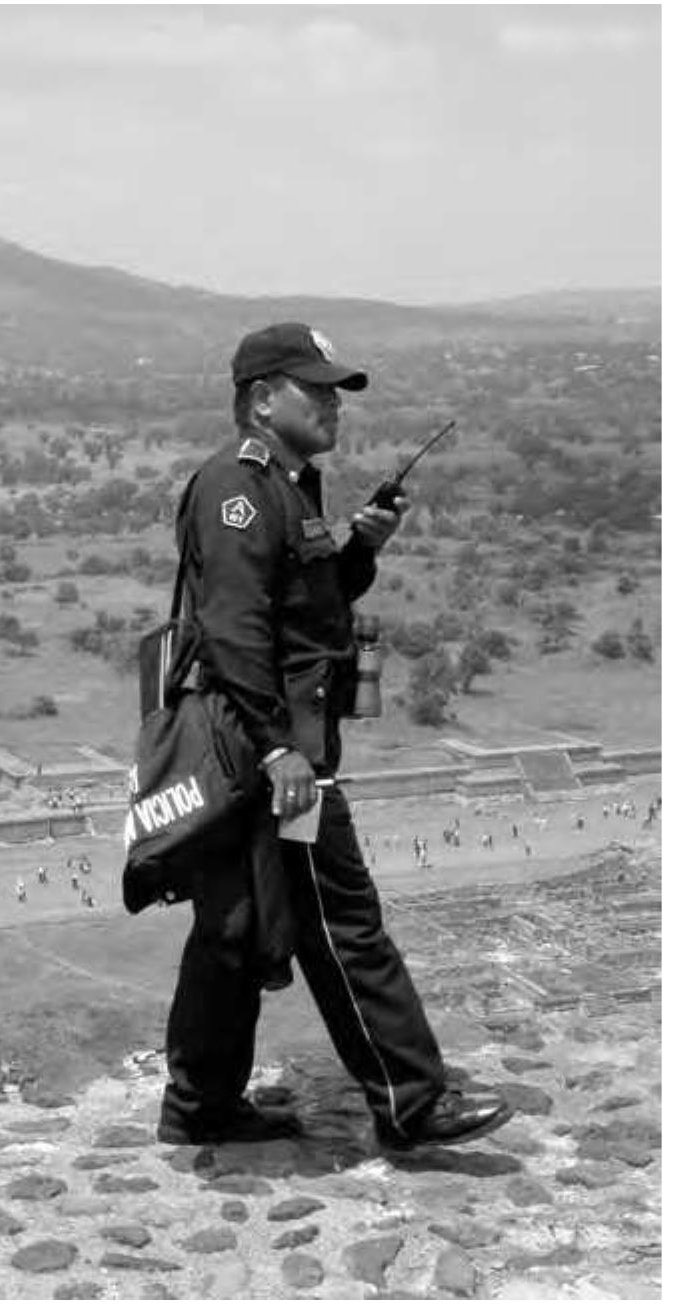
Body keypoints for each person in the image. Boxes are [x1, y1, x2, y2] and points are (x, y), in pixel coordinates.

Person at [156, 322, 510, 1150]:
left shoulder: (289, 485)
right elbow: (235, 628)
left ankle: (200, 1106)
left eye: (334, 391)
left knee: (235, 929)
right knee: (342, 919)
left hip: (267, 745)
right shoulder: (238, 490)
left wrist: (361, 552)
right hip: (277, 756)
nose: (332, 404)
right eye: (314, 390)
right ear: (261, 400)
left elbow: (307, 613)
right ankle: (411, 1101)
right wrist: (280, 748)